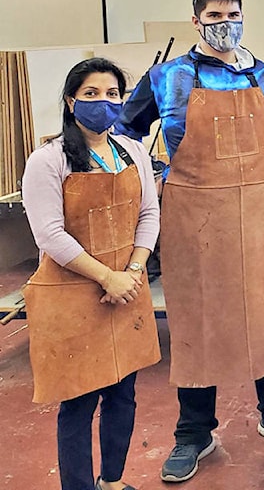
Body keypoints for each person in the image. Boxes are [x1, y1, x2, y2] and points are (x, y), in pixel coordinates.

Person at [116, 0, 264, 483]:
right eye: (216, 14)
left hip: (258, 209)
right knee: (199, 318)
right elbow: (125, 132)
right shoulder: (167, 76)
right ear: (196, 20)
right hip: (196, 213)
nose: (227, 22)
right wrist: (147, 174)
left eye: (235, 13)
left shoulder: (259, 72)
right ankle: (193, 432)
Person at [21, 58, 161, 490]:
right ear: (70, 101)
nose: (104, 102)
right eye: (91, 94)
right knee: (79, 403)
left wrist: (133, 270)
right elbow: (50, 235)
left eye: (112, 94)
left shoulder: (133, 150)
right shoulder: (48, 160)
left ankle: (113, 481)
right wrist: (107, 277)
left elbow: (150, 214)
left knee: (124, 393)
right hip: (74, 293)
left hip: (128, 287)